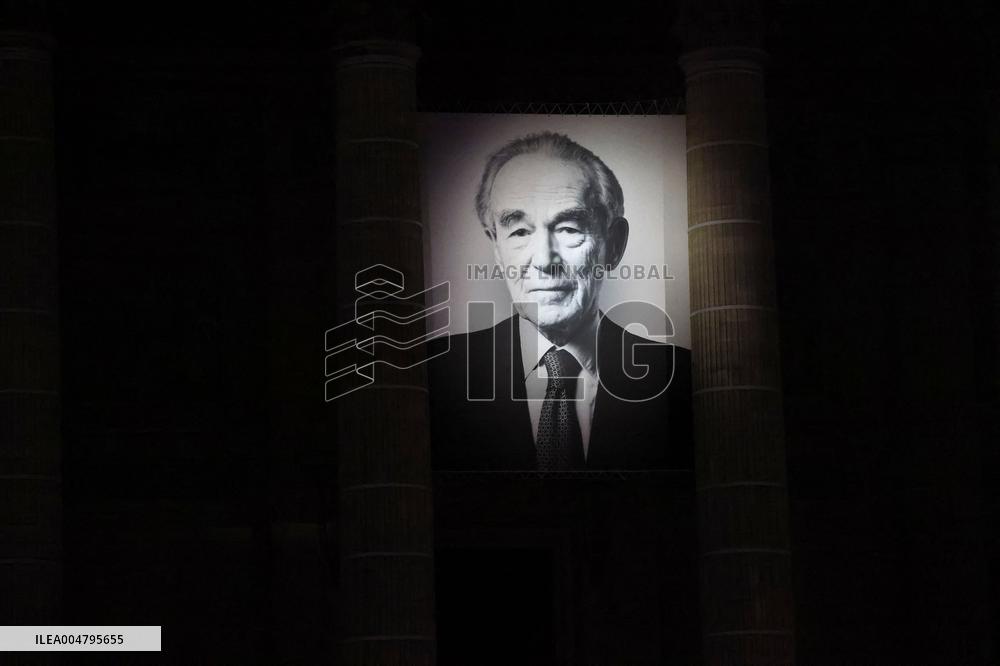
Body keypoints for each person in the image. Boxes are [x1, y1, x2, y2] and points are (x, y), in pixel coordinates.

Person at [428, 131, 691, 471]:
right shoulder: (435, 378)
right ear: (496, 246)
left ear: (613, 245)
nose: (543, 259)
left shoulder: (680, 381)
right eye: (519, 231)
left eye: (569, 228)